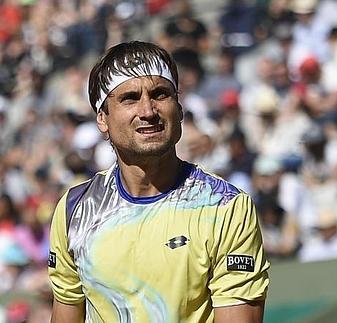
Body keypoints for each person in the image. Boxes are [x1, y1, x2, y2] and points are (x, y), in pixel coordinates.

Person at [48, 41, 270, 323]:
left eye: (160, 94)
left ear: (179, 109)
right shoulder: (74, 209)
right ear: (102, 119)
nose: (148, 110)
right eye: (129, 98)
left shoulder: (225, 208)